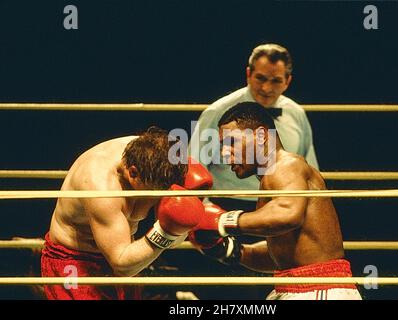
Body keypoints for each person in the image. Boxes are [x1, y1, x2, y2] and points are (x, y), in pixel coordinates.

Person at [189, 102, 362, 300]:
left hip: (319, 288)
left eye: (231, 142)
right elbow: (280, 256)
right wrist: (234, 251)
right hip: (296, 286)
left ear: (261, 136)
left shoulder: (286, 164)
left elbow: (288, 214)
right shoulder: (271, 180)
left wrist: (222, 220)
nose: (224, 153)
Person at [41, 126, 206, 300]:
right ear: (132, 173)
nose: (156, 198)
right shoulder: (100, 187)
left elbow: (171, 239)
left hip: (125, 256)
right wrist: (166, 232)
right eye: (153, 191)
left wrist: (181, 220)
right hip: (76, 260)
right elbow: (121, 263)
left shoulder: (160, 159)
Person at [190, 43, 318, 212]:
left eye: (276, 81)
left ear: (287, 81)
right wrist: (205, 209)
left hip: (281, 206)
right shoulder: (218, 112)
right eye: (261, 78)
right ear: (248, 74)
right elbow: (194, 164)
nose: (266, 88)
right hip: (225, 204)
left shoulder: (296, 114)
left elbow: (310, 169)